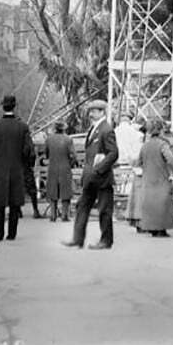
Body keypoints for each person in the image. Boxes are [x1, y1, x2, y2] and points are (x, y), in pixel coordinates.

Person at [62, 99, 118, 250]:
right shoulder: (94, 129)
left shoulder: (106, 129)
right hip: (90, 178)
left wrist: (99, 169)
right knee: (82, 207)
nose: (91, 113)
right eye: (90, 110)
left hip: (102, 178)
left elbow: (113, 153)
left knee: (104, 210)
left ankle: (106, 241)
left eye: (94, 110)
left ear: (102, 112)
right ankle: (77, 238)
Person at [0, 95, 34, 241]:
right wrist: (23, 163)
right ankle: (12, 233)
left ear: (2, 106)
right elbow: (28, 150)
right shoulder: (23, 127)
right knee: (14, 203)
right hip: (16, 168)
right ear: (15, 106)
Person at [139, 118, 173, 238]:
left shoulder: (145, 146)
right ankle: (161, 230)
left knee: (150, 203)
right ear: (160, 130)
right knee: (162, 203)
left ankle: (152, 228)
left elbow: (140, 162)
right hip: (161, 178)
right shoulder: (163, 144)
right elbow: (170, 159)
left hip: (148, 179)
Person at [45, 120, 76, 222]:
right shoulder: (68, 139)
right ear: (64, 128)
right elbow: (73, 156)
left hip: (53, 167)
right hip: (65, 167)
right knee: (65, 192)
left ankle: (53, 215)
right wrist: (70, 164)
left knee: (53, 191)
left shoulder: (49, 139)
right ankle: (64, 215)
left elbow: (46, 154)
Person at [124, 118, 147, 232]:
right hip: (141, 173)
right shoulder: (140, 144)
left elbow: (132, 158)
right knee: (140, 200)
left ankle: (139, 222)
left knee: (138, 199)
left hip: (139, 172)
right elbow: (135, 158)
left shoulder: (138, 144)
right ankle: (140, 222)